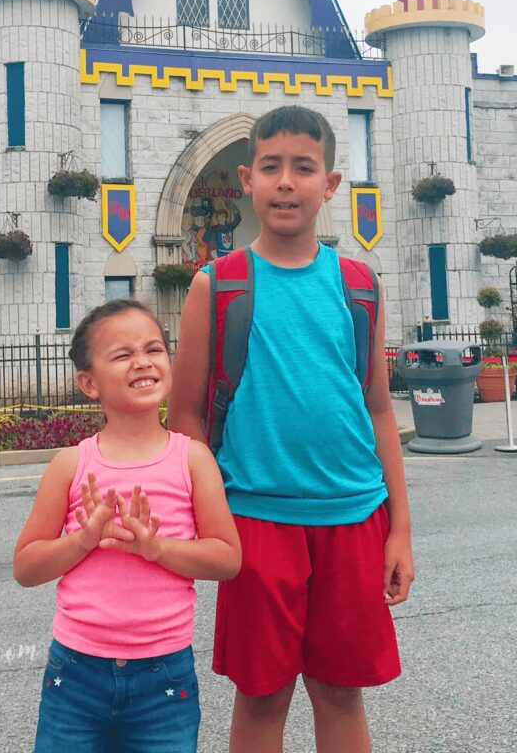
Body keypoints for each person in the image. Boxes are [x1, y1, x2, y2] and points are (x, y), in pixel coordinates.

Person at [170, 105, 415, 753]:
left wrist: (402, 531)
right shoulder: (215, 286)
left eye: (303, 168)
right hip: (256, 522)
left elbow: (380, 411)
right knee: (262, 697)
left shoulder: (359, 286)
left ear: (329, 184)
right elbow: (186, 416)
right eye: (271, 167)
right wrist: (207, 520)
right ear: (248, 179)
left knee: (340, 694)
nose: (286, 182)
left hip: (355, 516)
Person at [14, 299, 241, 752]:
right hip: (75, 675)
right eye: (122, 354)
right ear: (88, 383)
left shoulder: (192, 459)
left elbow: (227, 558)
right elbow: (26, 567)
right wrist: (83, 540)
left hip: (164, 679)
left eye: (153, 349)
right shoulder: (71, 464)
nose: (142, 361)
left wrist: (157, 548)